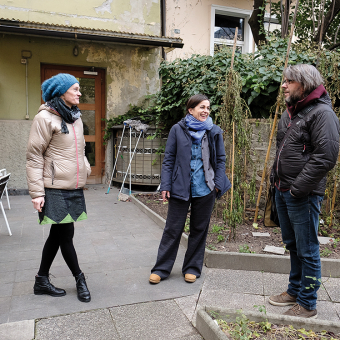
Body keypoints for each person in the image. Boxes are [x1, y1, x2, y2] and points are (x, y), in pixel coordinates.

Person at [269, 64, 340, 318]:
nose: (284, 86)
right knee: (293, 245)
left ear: (305, 84)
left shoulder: (322, 114)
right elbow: (282, 150)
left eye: (289, 81)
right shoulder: (292, 112)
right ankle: (294, 290)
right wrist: (275, 180)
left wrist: (298, 189)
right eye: (284, 80)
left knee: (308, 248)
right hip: (283, 189)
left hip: (303, 194)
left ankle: (308, 303)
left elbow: (325, 157)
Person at [149, 94, 231, 284]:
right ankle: (161, 269)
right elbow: (169, 158)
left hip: (206, 188)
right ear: (191, 109)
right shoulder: (177, 130)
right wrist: (166, 184)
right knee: (172, 229)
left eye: (208, 108)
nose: (206, 111)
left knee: (199, 229)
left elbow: (220, 159)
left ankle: (192, 268)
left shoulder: (213, 131)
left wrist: (217, 184)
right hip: (180, 187)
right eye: (202, 107)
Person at [26, 73, 92, 302]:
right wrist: (36, 193)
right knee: (66, 235)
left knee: (57, 234)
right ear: (61, 92)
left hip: (72, 185)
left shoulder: (75, 117)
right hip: (53, 187)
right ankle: (80, 278)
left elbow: (81, 150)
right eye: (75, 89)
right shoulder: (45, 118)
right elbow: (34, 157)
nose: (79, 93)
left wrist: (84, 170)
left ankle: (41, 280)